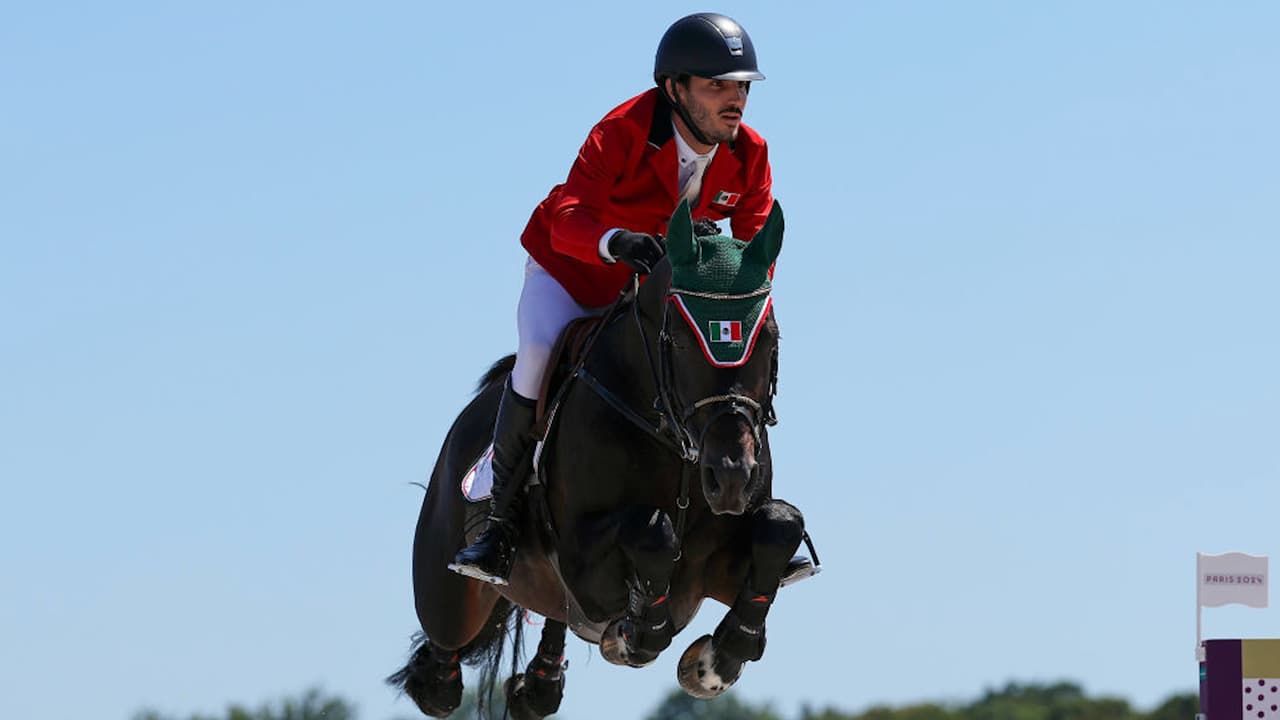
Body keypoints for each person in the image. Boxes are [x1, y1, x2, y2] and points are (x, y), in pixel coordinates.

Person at [448, 12, 776, 585]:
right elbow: (568, 217)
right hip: (572, 277)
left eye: (741, 86)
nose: (735, 100)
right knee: (537, 354)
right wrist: (614, 241)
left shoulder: (749, 154)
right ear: (674, 89)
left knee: (725, 368)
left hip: (651, 299)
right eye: (716, 86)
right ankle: (498, 525)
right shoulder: (622, 130)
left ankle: (748, 512)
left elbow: (752, 252)